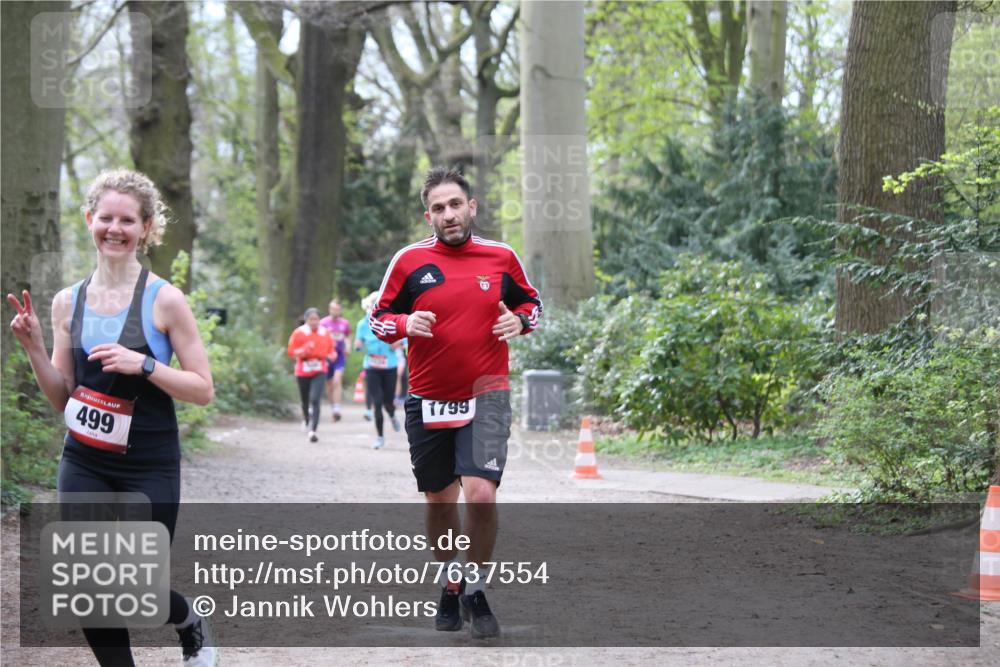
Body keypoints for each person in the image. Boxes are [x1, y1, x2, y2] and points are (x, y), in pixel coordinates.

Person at [6, 169, 217, 666]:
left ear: (146, 228)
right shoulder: (66, 302)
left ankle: (187, 619)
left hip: (149, 462)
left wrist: (144, 364)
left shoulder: (164, 299)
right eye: (106, 218)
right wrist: (35, 347)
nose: (115, 229)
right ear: (89, 220)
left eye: (127, 220)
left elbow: (203, 389)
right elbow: (62, 397)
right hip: (84, 460)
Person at [370, 167, 542, 639]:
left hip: (487, 392)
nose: (448, 214)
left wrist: (520, 323)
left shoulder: (500, 257)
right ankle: (452, 580)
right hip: (427, 397)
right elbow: (380, 317)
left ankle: (477, 586)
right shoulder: (408, 261)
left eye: (455, 205)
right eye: (438, 208)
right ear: (429, 215)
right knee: (440, 500)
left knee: (481, 494)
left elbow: (532, 303)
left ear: (472, 207)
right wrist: (406, 325)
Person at [355, 292, 401, 449]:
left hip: (390, 366)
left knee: (388, 402)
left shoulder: (391, 320)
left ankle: (393, 415)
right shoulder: (363, 324)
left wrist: (399, 344)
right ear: (368, 306)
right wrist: (358, 345)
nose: (374, 306)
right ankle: (380, 437)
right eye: (372, 303)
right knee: (377, 400)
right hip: (371, 366)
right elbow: (359, 341)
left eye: (378, 303)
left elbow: (405, 337)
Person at [287, 308, 334, 443]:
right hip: (303, 369)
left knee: (315, 399)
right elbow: (291, 351)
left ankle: (313, 430)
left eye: (316, 319)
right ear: (306, 320)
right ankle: (306, 418)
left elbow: (331, 349)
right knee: (305, 399)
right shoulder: (299, 333)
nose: (314, 322)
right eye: (311, 319)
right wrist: (302, 350)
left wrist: (331, 355)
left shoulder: (325, 333)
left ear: (320, 320)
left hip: (320, 368)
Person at [319, 300, 351, 422]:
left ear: (340, 310)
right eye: (333, 309)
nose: (335, 311)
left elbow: (347, 337)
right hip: (327, 356)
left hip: (339, 357)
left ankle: (337, 409)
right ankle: (333, 407)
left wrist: (348, 346)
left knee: (337, 380)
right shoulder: (323, 323)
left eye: (337, 309)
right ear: (329, 309)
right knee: (330, 384)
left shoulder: (344, 323)